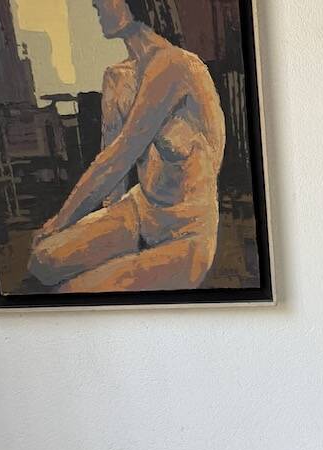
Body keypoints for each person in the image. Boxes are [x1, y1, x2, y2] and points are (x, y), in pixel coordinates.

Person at [29, 0, 226, 292]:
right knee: (42, 260)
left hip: (185, 233)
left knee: (71, 291)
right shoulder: (117, 76)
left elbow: (117, 158)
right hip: (140, 210)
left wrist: (60, 221)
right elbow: (112, 170)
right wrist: (107, 230)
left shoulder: (176, 64)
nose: (95, 5)